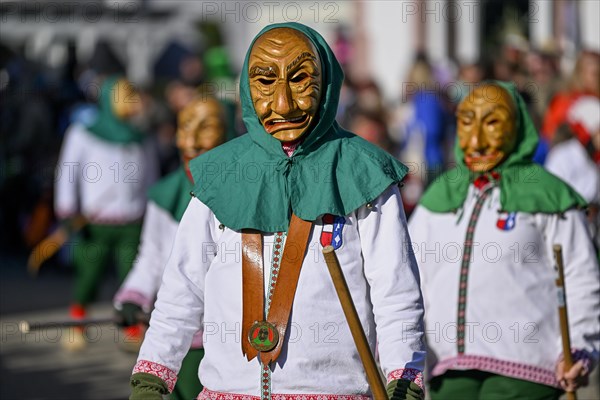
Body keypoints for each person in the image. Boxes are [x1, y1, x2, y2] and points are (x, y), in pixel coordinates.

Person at [129, 23, 425, 399]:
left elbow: (395, 290)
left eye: (300, 79)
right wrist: (153, 375)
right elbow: (181, 287)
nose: (283, 104)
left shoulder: (363, 173)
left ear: (327, 81)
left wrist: (404, 377)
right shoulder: (220, 174)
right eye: (265, 82)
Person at [409, 82, 599, 399]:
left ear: (517, 126)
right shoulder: (440, 197)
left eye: (492, 122)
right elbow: (407, 279)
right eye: (466, 122)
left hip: (527, 369)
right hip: (448, 368)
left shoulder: (549, 195)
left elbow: (581, 277)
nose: (477, 140)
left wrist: (579, 346)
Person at [114, 95, 227, 399]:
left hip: (228, 345)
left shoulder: (246, 195)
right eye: (185, 126)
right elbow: (152, 257)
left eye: (206, 128)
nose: (191, 140)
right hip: (177, 338)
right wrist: (134, 296)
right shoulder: (164, 196)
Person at [54, 76, 158, 350]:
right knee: (89, 274)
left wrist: (154, 211)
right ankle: (77, 322)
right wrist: (66, 210)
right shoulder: (83, 133)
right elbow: (68, 172)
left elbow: (151, 177)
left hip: (132, 221)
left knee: (133, 275)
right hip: (95, 221)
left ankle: (132, 326)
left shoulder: (140, 137)